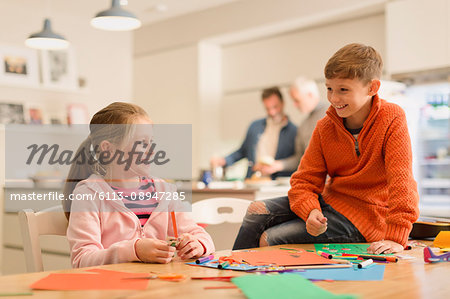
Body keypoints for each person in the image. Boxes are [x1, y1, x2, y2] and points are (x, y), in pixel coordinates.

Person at [233, 43, 419, 254]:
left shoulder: (392, 117)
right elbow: (303, 182)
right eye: (329, 89)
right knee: (255, 209)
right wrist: (310, 210)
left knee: (270, 238)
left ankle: (244, 277)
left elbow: (402, 183)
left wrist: (396, 237)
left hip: (368, 217)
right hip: (330, 205)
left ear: (372, 88)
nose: (333, 98)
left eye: (343, 90)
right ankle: (228, 271)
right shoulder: (325, 127)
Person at [64, 102, 214, 268]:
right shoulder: (88, 194)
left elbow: (198, 234)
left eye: (151, 142)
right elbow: (82, 260)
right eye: (142, 143)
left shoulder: (163, 190)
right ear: (108, 149)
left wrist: (198, 245)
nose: (152, 151)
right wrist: (133, 250)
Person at [210, 87, 297, 179]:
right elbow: (243, 151)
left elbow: (297, 160)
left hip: (277, 183)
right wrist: (224, 160)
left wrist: (278, 166)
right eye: (267, 108)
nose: (272, 112)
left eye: (275, 107)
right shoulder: (255, 126)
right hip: (253, 180)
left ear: (283, 103)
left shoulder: (294, 131)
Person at [253, 77, 328, 175]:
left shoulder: (332, 113)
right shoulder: (303, 126)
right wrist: (278, 165)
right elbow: (300, 158)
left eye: (297, 100)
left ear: (310, 95)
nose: (295, 105)